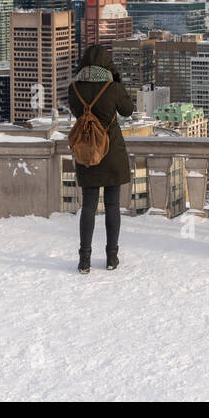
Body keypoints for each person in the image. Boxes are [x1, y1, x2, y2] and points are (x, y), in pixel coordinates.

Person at [66, 44, 134, 274]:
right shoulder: (112, 88)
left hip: (87, 151)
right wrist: (116, 80)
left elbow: (77, 113)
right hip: (111, 150)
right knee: (112, 205)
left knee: (89, 206)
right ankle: (111, 257)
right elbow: (128, 110)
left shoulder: (74, 88)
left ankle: (84, 259)